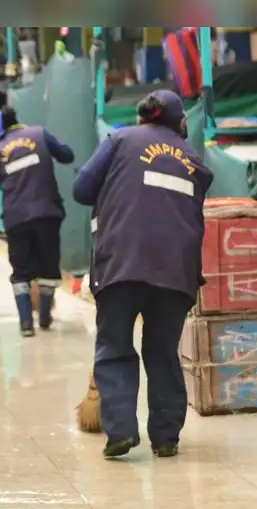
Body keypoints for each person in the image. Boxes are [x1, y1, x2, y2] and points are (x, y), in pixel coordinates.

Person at [72, 89, 213, 459]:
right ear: (180, 123)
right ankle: (166, 438)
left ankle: (120, 432)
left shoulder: (118, 140)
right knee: (163, 352)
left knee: (115, 347)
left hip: (121, 262)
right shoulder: (195, 161)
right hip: (176, 271)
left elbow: (81, 189)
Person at [0, 105, 75, 336]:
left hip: (16, 216)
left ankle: (26, 324)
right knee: (48, 264)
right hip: (47, 212)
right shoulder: (39, 134)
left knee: (21, 269)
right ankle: (44, 318)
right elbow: (67, 156)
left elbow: (3, 183)